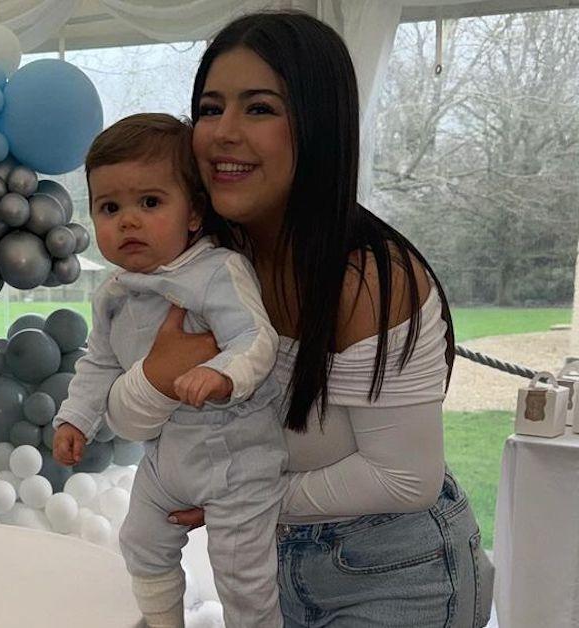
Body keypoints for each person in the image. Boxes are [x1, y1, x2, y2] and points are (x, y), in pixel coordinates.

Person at [102, 11, 495, 628]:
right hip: (274, 563)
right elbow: (127, 419)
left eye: (259, 108)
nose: (223, 133)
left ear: (317, 125)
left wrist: (239, 492)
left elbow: (403, 479)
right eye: (209, 108)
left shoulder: (365, 279)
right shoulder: (205, 269)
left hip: (396, 572)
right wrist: (154, 377)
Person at [51, 113, 288, 628]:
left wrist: (223, 374)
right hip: (165, 458)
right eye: (109, 208)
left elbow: (255, 338)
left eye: (150, 203)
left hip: (234, 456)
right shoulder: (113, 294)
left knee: (240, 572)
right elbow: (100, 362)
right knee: (138, 540)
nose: (128, 221)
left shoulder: (215, 271)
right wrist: (75, 418)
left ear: (194, 213)